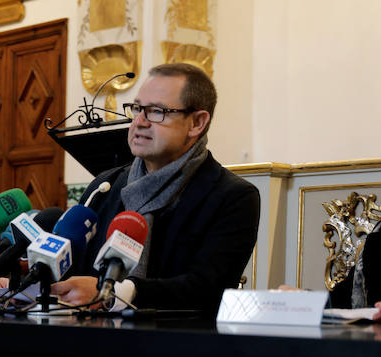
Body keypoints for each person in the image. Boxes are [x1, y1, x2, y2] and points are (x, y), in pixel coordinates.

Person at [50, 62, 260, 316]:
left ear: (197, 123)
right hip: (92, 338)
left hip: (177, 347)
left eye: (157, 111)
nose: (139, 122)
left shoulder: (232, 196)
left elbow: (206, 289)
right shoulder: (106, 186)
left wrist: (118, 294)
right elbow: (72, 267)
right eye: (137, 108)